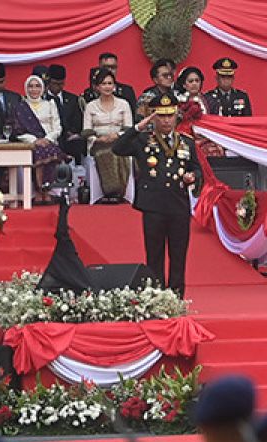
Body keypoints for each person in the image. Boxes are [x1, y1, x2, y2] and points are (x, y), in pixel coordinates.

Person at [112, 92, 201, 297]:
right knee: (155, 256)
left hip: (178, 205)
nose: (166, 120)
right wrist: (137, 127)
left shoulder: (186, 141)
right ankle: (157, 297)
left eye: (170, 115)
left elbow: (198, 170)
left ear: (176, 115)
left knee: (178, 256)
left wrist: (192, 176)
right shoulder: (143, 139)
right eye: (161, 116)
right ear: (154, 117)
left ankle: (176, 297)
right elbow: (118, 148)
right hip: (153, 205)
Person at [83, 68, 134, 204]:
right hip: (98, 142)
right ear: (97, 87)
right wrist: (98, 139)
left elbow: (129, 128)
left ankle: (118, 191)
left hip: (120, 140)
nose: (107, 87)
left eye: (110, 83)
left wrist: (117, 135)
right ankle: (110, 190)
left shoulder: (124, 104)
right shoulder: (90, 106)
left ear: (114, 86)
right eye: (103, 84)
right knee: (105, 152)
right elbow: (86, 131)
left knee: (117, 151)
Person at [10, 75, 64, 200]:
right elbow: (17, 130)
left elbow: (57, 127)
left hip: (49, 140)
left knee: (49, 151)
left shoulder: (50, 104)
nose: (34, 89)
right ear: (26, 88)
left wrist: (48, 138)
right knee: (39, 152)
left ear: (43, 88)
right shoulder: (20, 107)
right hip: (30, 143)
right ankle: (40, 190)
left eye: (37, 86)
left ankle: (47, 190)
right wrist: (34, 140)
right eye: (31, 86)